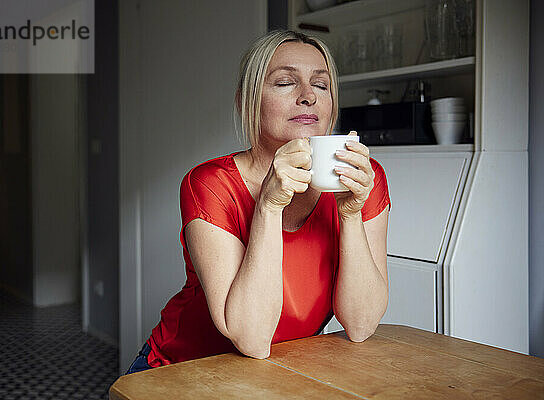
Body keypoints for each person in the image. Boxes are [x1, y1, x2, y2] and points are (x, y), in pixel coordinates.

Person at [126, 30, 391, 374]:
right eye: (285, 82)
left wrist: (351, 215)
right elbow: (251, 337)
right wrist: (268, 206)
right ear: (246, 101)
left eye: (322, 85)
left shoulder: (364, 180)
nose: (308, 96)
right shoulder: (210, 183)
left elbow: (361, 324)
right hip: (180, 370)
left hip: (278, 372)